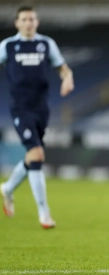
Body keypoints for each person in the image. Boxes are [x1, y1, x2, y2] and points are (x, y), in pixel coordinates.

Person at [0, 6, 74, 229]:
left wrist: (67, 78)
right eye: (24, 19)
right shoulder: (8, 46)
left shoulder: (46, 44)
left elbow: (63, 68)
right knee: (37, 153)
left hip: (42, 108)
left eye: (32, 19)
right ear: (17, 23)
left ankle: (8, 188)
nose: (29, 23)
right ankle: (44, 213)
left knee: (34, 157)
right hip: (20, 108)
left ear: (37, 22)